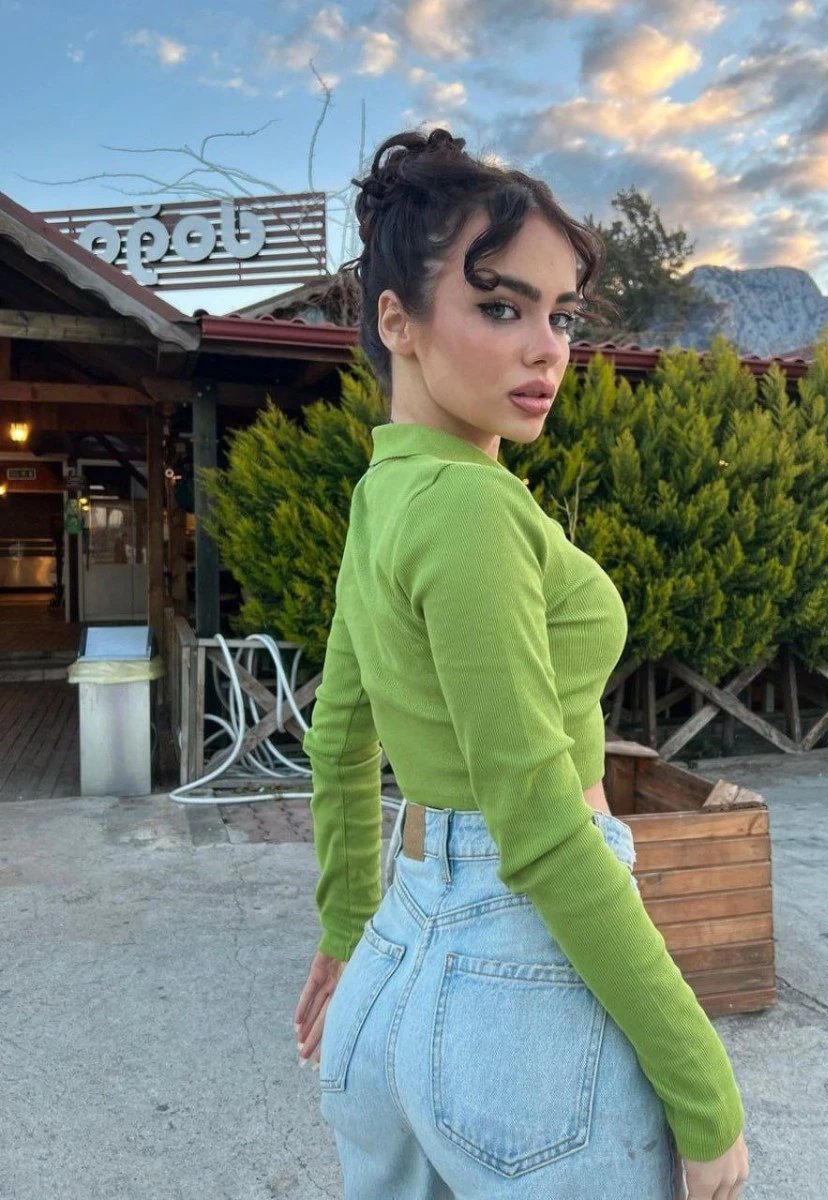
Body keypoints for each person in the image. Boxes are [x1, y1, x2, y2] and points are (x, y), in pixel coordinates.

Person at [294, 127, 750, 1200]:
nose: (548, 349)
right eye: (501, 307)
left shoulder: (385, 493)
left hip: (399, 963)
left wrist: (349, 932)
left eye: (562, 316)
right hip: (516, 973)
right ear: (398, 322)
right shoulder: (469, 508)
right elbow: (541, 828)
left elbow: (340, 737)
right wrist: (704, 1093)